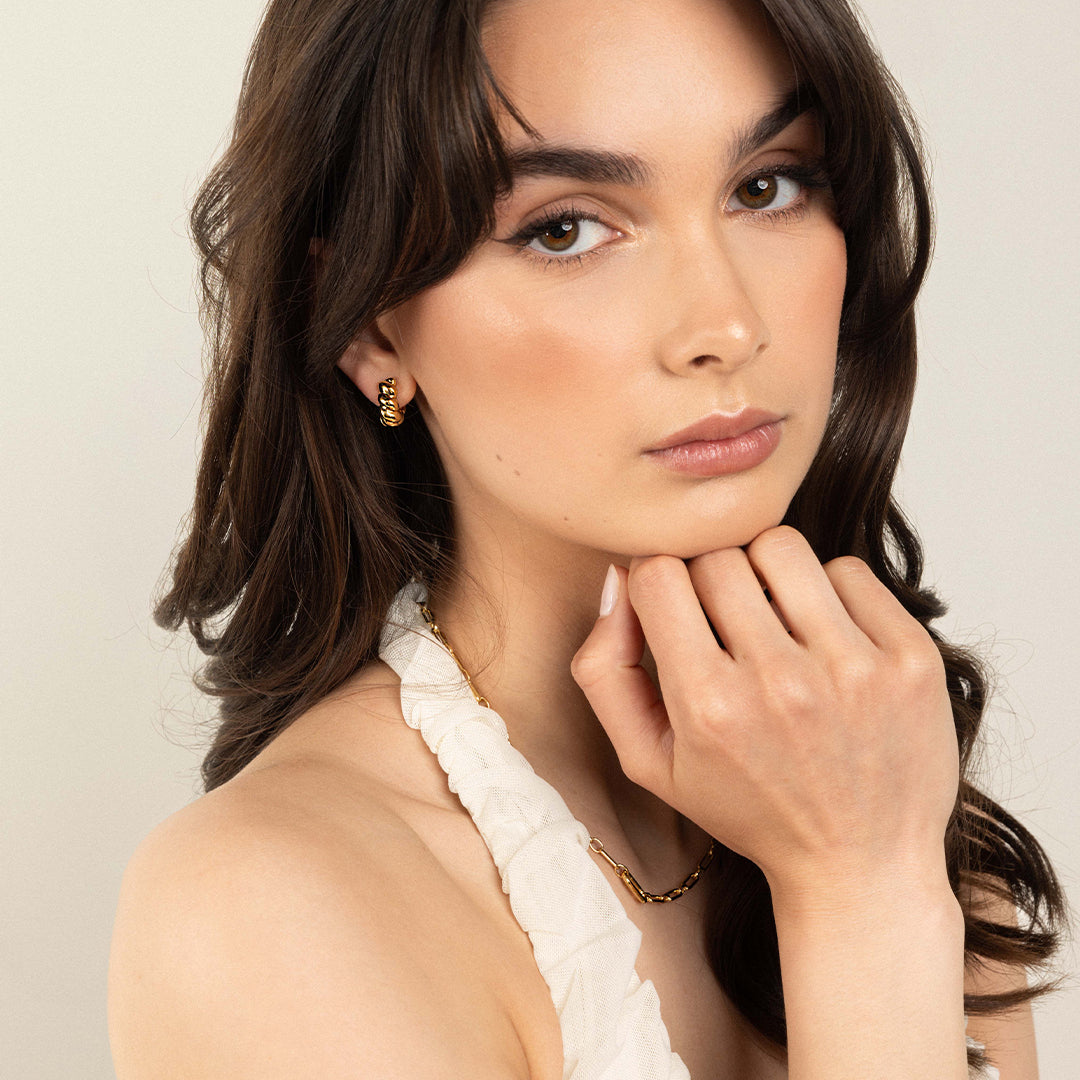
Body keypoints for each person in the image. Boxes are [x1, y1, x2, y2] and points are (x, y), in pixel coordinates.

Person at [107, 0, 1067, 1077]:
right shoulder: (264, 907)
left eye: (769, 186)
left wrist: (874, 872)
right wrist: (861, 900)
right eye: (565, 228)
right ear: (372, 327)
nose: (727, 327)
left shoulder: (880, 780)